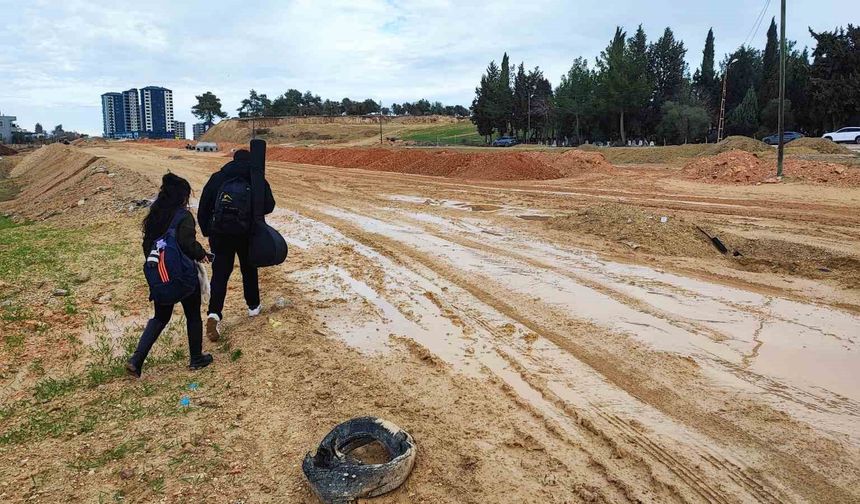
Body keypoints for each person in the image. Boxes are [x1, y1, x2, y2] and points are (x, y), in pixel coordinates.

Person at [127, 173, 213, 378]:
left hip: (160, 275)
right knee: (193, 315)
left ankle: (136, 360)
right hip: (183, 275)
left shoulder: (155, 215)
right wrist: (202, 255)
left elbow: (147, 246)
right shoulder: (183, 216)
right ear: (181, 196)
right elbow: (187, 244)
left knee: (160, 317)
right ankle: (196, 358)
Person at [197, 149, 275, 342]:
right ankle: (253, 307)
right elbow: (269, 205)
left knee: (221, 273)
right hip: (247, 233)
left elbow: (203, 208)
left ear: (233, 159)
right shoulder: (255, 178)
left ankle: (214, 314)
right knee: (249, 270)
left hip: (220, 234)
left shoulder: (218, 177)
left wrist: (209, 231)